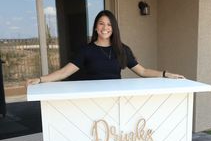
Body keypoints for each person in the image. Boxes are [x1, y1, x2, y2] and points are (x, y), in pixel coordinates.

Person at [26, 10, 184, 86]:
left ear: (113, 28)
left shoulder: (123, 49)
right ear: (95, 27)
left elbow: (142, 71)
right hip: (93, 98)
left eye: (109, 24)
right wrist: (40, 79)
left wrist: (165, 74)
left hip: (115, 97)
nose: (105, 27)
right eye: (101, 23)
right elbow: (63, 72)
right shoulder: (86, 51)